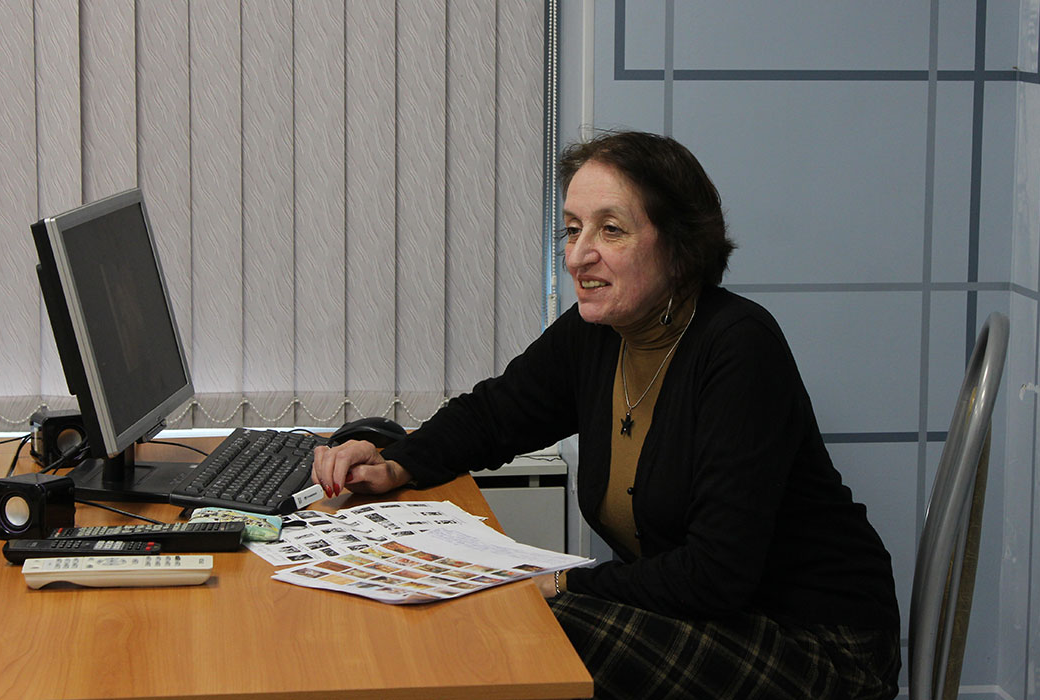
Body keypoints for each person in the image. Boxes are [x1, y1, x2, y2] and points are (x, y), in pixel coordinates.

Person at [313, 131, 901, 699]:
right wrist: (396, 462)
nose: (577, 255)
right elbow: (494, 415)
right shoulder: (597, 331)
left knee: (513, 629)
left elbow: (715, 575)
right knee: (495, 620)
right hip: (708, 616)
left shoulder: (739, 346)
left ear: (679, 246)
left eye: (610, 230)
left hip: (814, 645)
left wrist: (562, 581)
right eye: (572, 230)